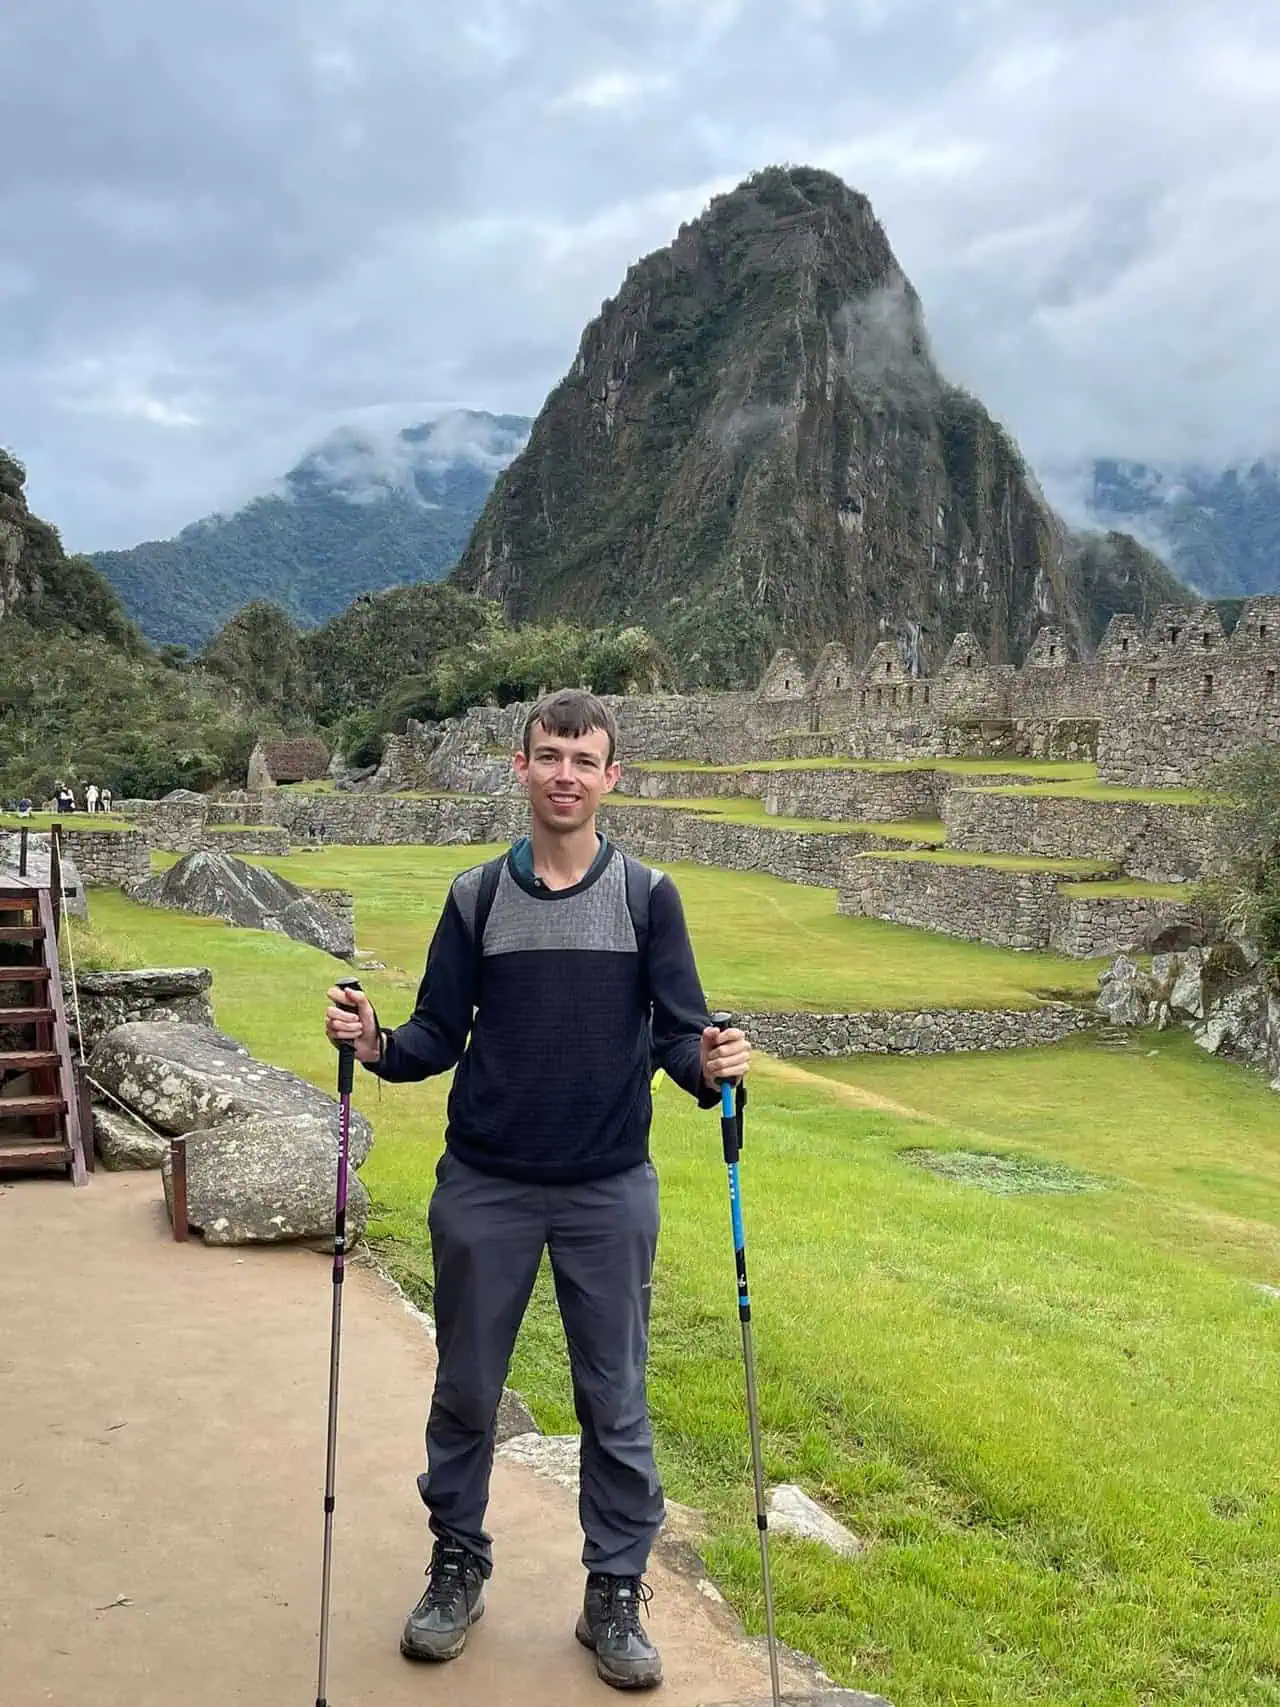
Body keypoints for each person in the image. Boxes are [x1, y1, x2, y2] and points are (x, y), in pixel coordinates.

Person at [325, 688, 750, 1691]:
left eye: (582, 758)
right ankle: (456, 1563)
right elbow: (435, 1035)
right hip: (486, 1183)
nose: (564, 773)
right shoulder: (476, 897)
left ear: (611, 778)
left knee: (614, 1398)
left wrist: (712, 1061)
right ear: (519, 769)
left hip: (607, 1188)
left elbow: (674, 1033)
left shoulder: (647, 897)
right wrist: (376, 1040)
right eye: (547, 754)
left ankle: (613, 1588)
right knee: (467, 1388)